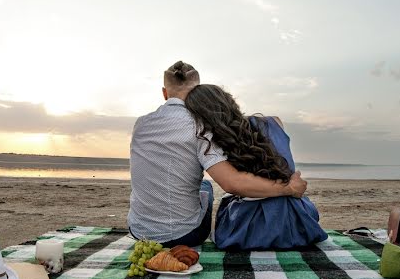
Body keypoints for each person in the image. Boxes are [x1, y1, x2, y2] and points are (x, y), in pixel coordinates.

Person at [127, 61, 308, 247]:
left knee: (198, 185)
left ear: (164, 93)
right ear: (198, 91)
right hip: (183, 236)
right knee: (206, 187)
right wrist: (289, 188)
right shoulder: (199, 126)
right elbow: (231, 183)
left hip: (138, 231)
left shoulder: (140, 124)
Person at [183, 84, 327, 251]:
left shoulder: (213, 142)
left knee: (213, 192)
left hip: (249, 228)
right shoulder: (274, 122)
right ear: (228, 101)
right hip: (296, 220)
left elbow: (233, 184)